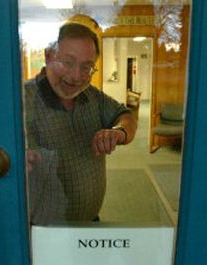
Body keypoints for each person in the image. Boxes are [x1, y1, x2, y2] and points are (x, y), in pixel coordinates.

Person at [24, 22, 137, 225]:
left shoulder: (91, 95)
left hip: (90, 221)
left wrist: (118, 132)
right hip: (44, 228)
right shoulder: (22, 100)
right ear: (49, 56)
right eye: (67, 62)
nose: (76, 76)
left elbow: (126, 115)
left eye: (86, 67)